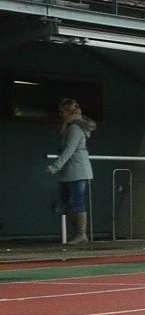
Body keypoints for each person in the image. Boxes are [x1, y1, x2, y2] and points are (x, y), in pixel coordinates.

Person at [47, 99, 96, 245]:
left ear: (68, 111)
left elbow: (69, 149)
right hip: (70, 170)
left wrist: (55, 167)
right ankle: (78, 232)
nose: (60, 114)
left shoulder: (75, 128)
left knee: (76, 202)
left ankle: (81, 233)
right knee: (65, 203)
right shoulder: (71, 126)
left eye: (62, 111)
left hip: (77, 170)